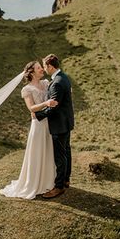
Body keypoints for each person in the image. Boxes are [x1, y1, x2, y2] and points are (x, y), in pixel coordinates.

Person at [0, 60, 58, 200]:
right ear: (31, 72)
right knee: (37, 152)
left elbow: (56, 89)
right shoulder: (26, 89)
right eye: (39, 68)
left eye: (41, 67)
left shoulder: (45, 83)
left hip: (48, 123)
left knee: (48, 151)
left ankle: (48, 181)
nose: (42, 70)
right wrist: (46, 103)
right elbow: (31, 108)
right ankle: (34, 183)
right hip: (38, 124)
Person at [35, 54, 75, 199]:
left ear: (50, 66)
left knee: (60, 155)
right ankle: (65, 179)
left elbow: (54, 107)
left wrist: (38, 115)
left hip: (59, 124)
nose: (44, 70)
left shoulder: (57, 82)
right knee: (66, 151)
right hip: (67, 122)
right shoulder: (64, 77)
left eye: (45, 67)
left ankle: (58, 187)